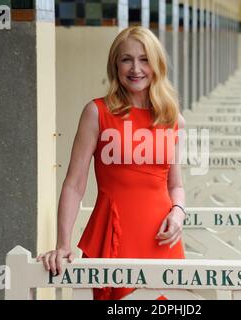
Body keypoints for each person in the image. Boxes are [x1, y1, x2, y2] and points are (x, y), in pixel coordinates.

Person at [36, 26, 186, 300]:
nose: (136, 68)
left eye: (144, 59)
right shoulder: (97, 112)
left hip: (161, 239)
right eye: (126, 59)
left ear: (157, 65)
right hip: (115, 239)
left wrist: (178, 213)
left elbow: (175, 185)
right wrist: (62, 243)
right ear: (115, 65)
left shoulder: (172, 118)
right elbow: (74, 184)